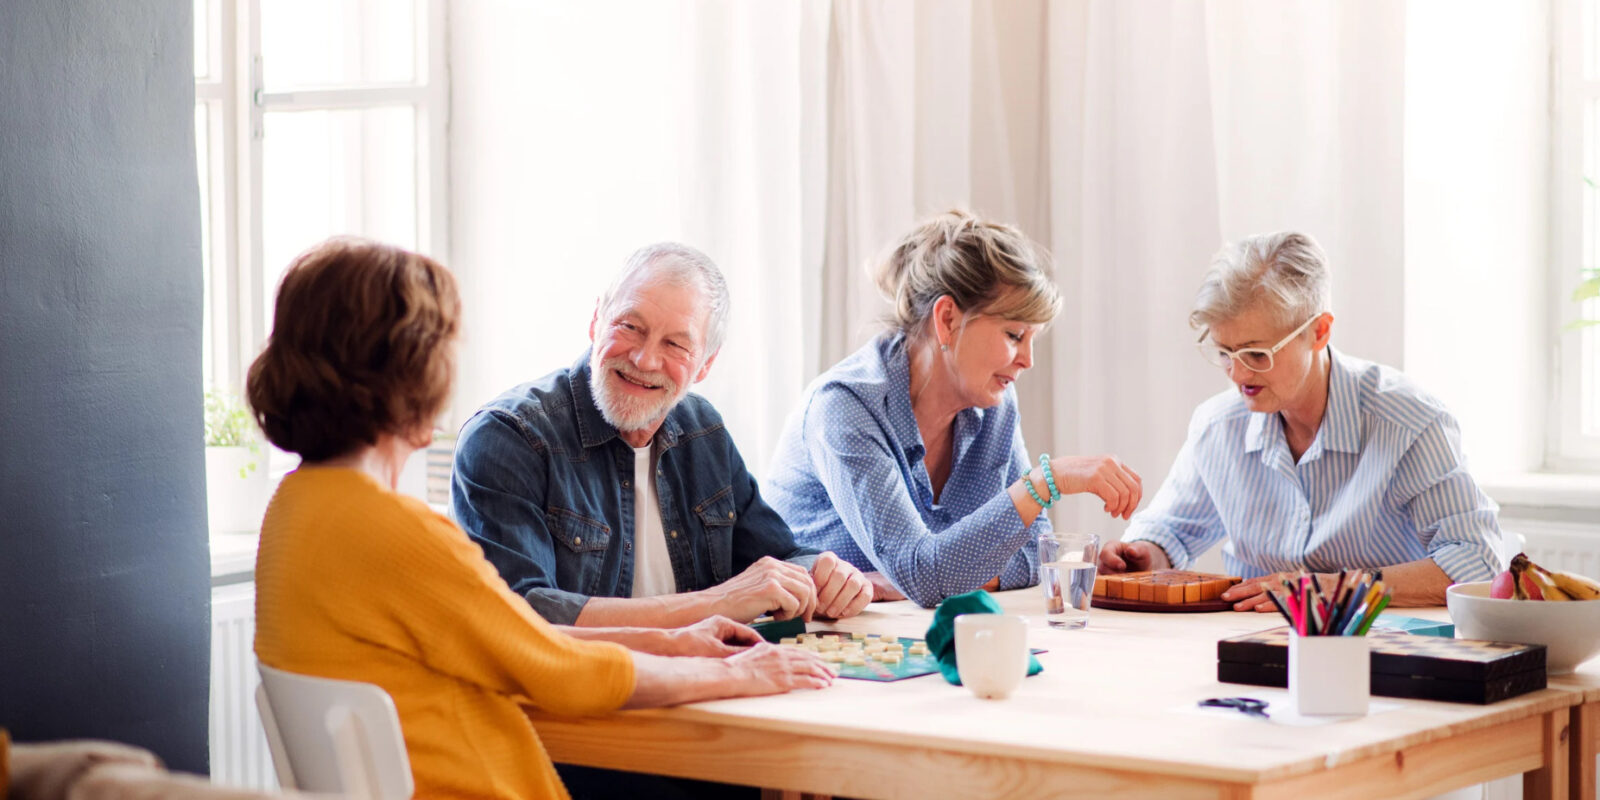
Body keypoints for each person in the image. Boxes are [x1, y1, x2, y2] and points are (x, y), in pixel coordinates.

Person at [248, 238, 834, 800]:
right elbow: (554, 667)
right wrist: (740, 673)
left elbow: (523, 640)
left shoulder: (295, 509)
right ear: (416, 377)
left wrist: (675, 641)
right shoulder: (400, 534)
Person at [452, 243, 874, 627]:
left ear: (705, 364)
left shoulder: (703, 430)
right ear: (597, 321)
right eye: (630, 327)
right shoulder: (508, 438)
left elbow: (776, 558)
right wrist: (720, 602)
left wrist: (825, 575)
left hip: (707, 675)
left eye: (675, 345)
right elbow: (524, 615)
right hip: (587, 686)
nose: (644, 359)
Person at [1098, 231, 1502, 609]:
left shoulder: (1409, 423)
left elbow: (1477, 563)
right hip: (1250, 641)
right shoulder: (1218, 427)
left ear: (1319, 332)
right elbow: (1171, 531)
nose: (1238, 375)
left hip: (1376, 643)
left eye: (1257, 355)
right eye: (1224, 353)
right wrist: (1141, 555)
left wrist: (1330, 589)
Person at [762, 211, 1144, 608]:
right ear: (947, 319)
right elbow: (924, 576)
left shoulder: (994, 403)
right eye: (1014, 335)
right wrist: (1047, 480)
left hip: (901, 628)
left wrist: (913, 580)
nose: (1028, 360)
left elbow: (1034, 553)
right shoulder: (845, 407)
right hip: (800, 633)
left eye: (1033, 338)